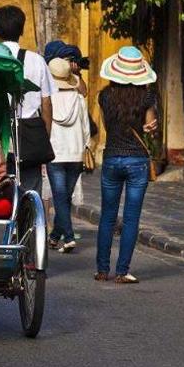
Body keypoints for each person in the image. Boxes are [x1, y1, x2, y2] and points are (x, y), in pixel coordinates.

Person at [96, 46, 158, 284]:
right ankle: (123, 271)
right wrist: (151, 124)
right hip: (137, 161)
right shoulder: (147, 97)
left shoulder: (105, 96)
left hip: (112, 158)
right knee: (131, 218)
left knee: (107, 217)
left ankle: (102, 270)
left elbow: (108, 126)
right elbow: (150, 128)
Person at [0, 5, 56, 193]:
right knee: (30, 192)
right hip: (30, 135)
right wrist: (44, 137)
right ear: (22, 30)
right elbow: (47, 104)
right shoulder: (37, 60)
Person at [45, 58, 90, 254]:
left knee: (60, 198)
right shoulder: (79, 99)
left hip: (55, 153)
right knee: (64, 197)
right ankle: (55, 236)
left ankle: (68, 236)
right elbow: (86, 128)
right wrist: (85, 146)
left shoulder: (47, 100)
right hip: (76, 152)